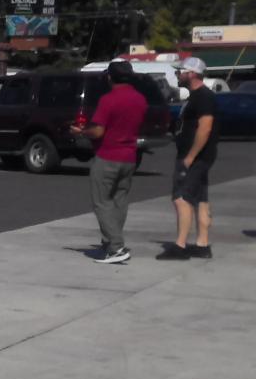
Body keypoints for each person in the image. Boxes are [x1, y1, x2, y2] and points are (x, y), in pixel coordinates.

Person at [71, 59, 145, 264]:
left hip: (107, 155)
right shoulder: (139, 99)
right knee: (119, 201)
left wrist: (81, 132)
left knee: (101, 202)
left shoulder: (108, 100)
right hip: (129, 156)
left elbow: (98, 130)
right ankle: (110, 241)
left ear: (110, 77)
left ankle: (115, 246)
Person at [158, 57, 217, 260]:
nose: (177, 75)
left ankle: (180, 246)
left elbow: (206, 127)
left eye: (180, 71)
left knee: (181, 198)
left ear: (191, 73)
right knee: (201, 200)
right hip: (197, 156)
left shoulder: (203, 97)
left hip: (194, 157)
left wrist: (190, 156)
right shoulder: (196, 97)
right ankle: (202, 244)